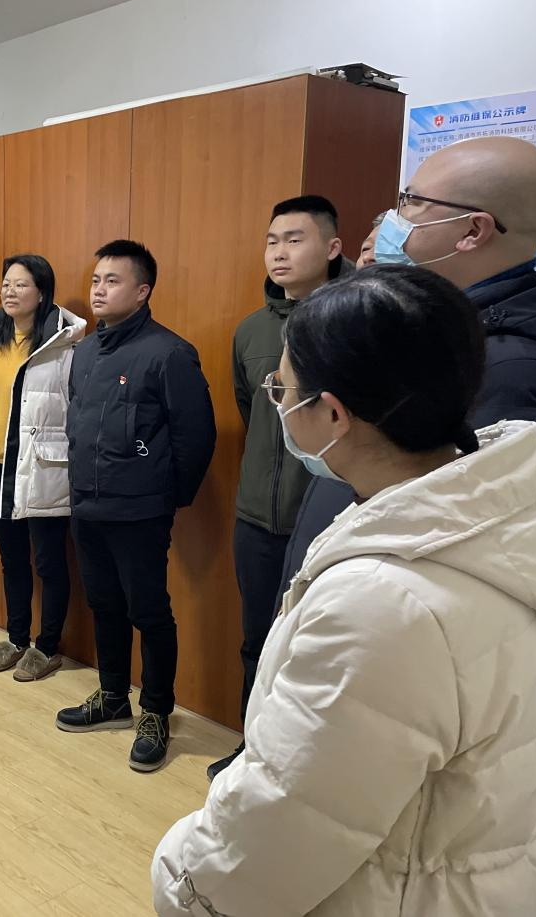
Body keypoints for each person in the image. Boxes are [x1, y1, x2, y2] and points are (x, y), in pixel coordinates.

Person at [152, 264, 536, 917]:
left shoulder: (381, 602)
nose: (276, 401)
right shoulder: (491, 518)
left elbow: (279, 833)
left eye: (283, 389)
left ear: (333, 414)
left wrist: (179, 880)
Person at [279, 136, 536, 601]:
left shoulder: (513, 370)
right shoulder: (434, 328)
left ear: (473, 231)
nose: (394, 218)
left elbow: (494, 558)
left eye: (412, 202)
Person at [56, 240, 216, 773]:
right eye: (96, 280)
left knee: (149, 612)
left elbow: (196, 437)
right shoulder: (83, 352)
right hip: (87, 503)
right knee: (103, 603)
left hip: (141, 510)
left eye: (113, 280)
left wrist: (166, 496)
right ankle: (112, 697)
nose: (99, 289)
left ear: (142, 290)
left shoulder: (169, 353)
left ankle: (156, 712)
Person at [209, 196, 344, 781]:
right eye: (272, 241)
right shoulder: (251, 331)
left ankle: (305, 771)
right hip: (256, 518)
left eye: (295, 239)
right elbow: (254, 410)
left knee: (315, 654)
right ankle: (253, 753)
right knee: (257, 642)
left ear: (332, 247)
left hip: (330, 519)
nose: (279, 252)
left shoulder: (356, 321)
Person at [0, 254, 85, 681]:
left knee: (49, 561)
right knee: (12, 558)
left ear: (42, 292)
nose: (10, 292)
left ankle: (47, 646)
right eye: (6, 284)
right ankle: (16, 638)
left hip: (43, 467)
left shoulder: (63, 345)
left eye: (21, 284)